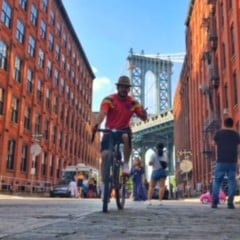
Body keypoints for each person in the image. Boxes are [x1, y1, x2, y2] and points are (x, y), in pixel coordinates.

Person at [92, 75, 147, 179]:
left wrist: (144, 114)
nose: (124, 89)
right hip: (109, 130)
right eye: (122, 87)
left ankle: (126, 164)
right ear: (118, 88)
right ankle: (104, 185)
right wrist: (96, 124)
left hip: (124, 129)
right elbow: (103, 113)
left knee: (126, 136)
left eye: (126, 87)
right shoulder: (109, 100)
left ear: (129, 89)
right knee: (105, 156)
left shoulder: (133, 102)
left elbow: (143, 118)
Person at [211, 117, 240, 209]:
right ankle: (230, 202)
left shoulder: (219, 133)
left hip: (221, 160)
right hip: (233, 161)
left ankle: (215, 202)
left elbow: (213, 143)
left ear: (224, 124)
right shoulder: (236, 134)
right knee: (232, 181)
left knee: (217, 181)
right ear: (233, 124)